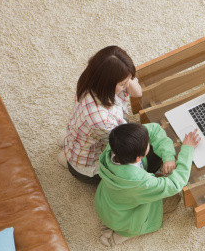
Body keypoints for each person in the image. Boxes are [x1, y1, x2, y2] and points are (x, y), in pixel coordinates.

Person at [94, 123, 200, 247]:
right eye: (147, 143)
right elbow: (175, 184)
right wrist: (187, 149)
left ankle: (116, 224)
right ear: (138, 158)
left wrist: (168, 157)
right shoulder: (139, 183)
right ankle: (125, 233)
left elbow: (153, 129)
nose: (149, 141)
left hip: (106, 204)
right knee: (174, 199)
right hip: (124, 220)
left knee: (157, 157)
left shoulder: (117, 144)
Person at [57, 46, 142, 184]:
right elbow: (120, 146)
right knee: (128, 173)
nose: (127, 85)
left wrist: (128, 77)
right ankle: (72, 165)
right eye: (123, 83)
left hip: (80, 137)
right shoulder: (101, 119)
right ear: (108, 83)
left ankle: (68, 153)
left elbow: (137, 93)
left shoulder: (92, 81)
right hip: (86, 165)